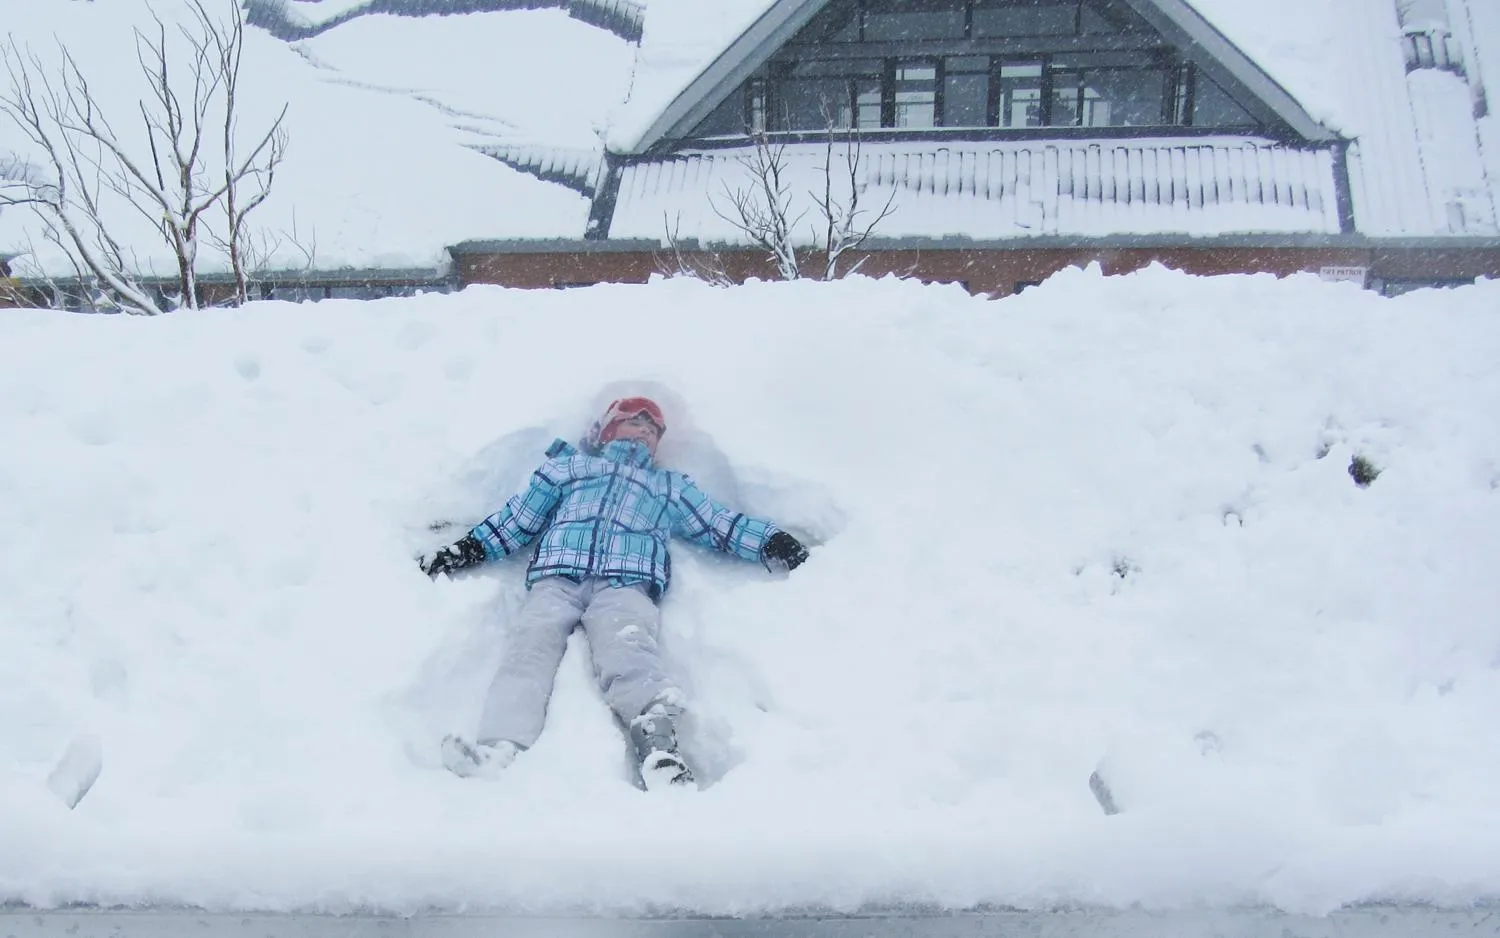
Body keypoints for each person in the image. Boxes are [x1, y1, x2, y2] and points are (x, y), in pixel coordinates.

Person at [419, 396, 809, 789]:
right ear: (606, 429)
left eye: (652, 429)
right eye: (634, 421)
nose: (645, 431)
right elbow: (517, 521)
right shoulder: (570, 468)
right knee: (529, 649)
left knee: (630, 652)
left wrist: (771, 541)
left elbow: (719, 524)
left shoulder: (667, 487)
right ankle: (499, 748)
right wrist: (464, 550)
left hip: (625, 583)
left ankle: (659, 751)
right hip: (558, 578)